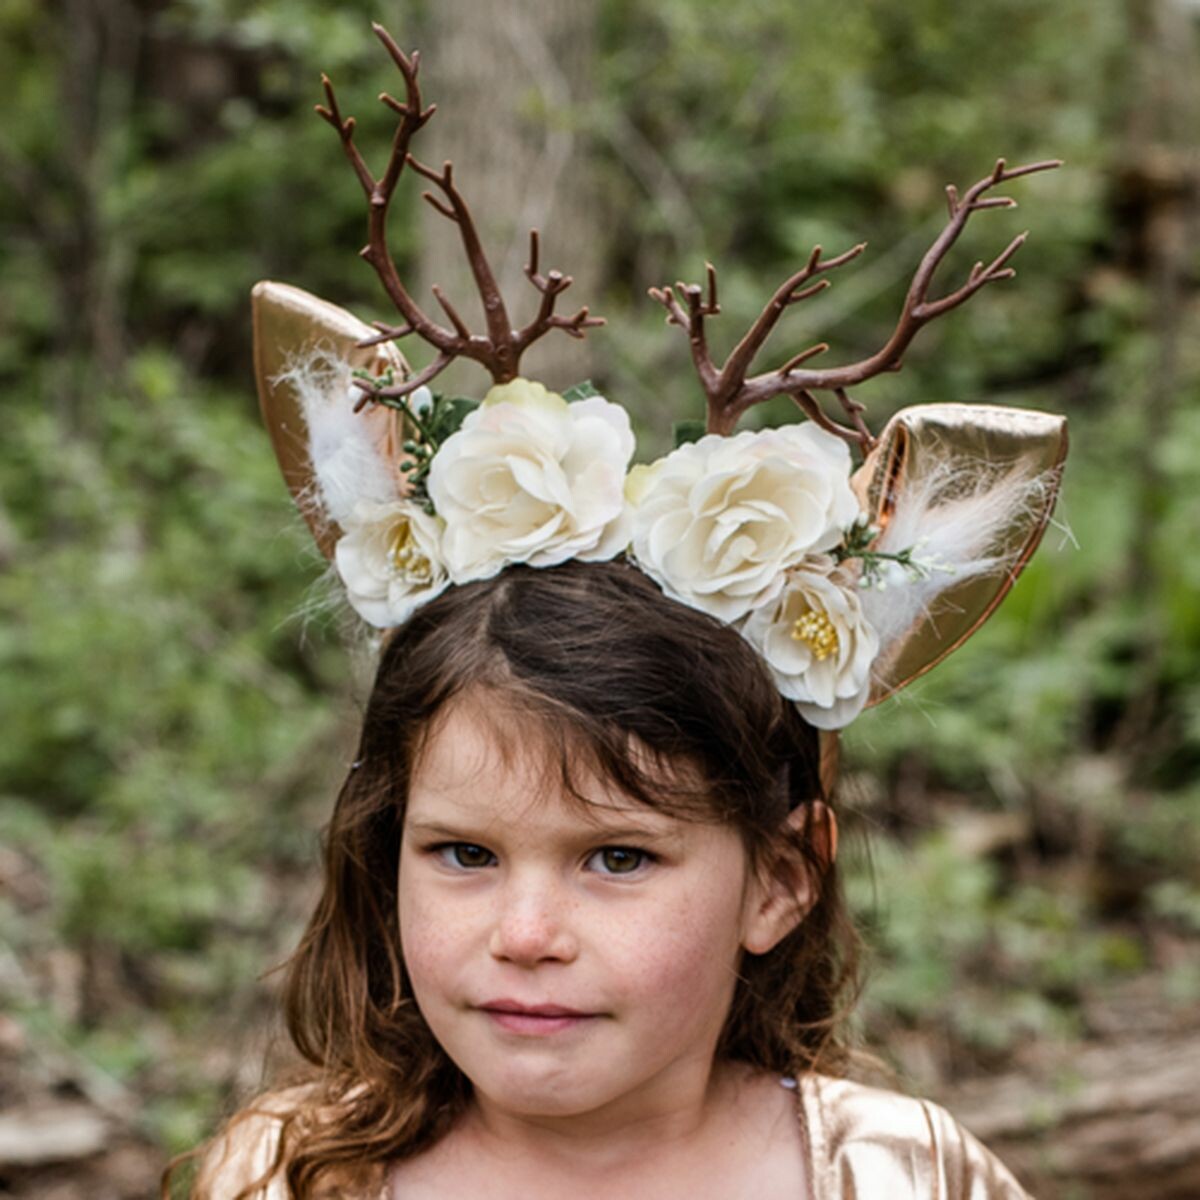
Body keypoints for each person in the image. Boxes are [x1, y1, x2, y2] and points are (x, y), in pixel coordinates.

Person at [166, 24, 1069, 1199]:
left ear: (779, 881)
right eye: (463, 853)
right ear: (383, 852)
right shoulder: (291, 1177)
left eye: (618, 856)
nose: (526, 932)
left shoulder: (898, 1177)